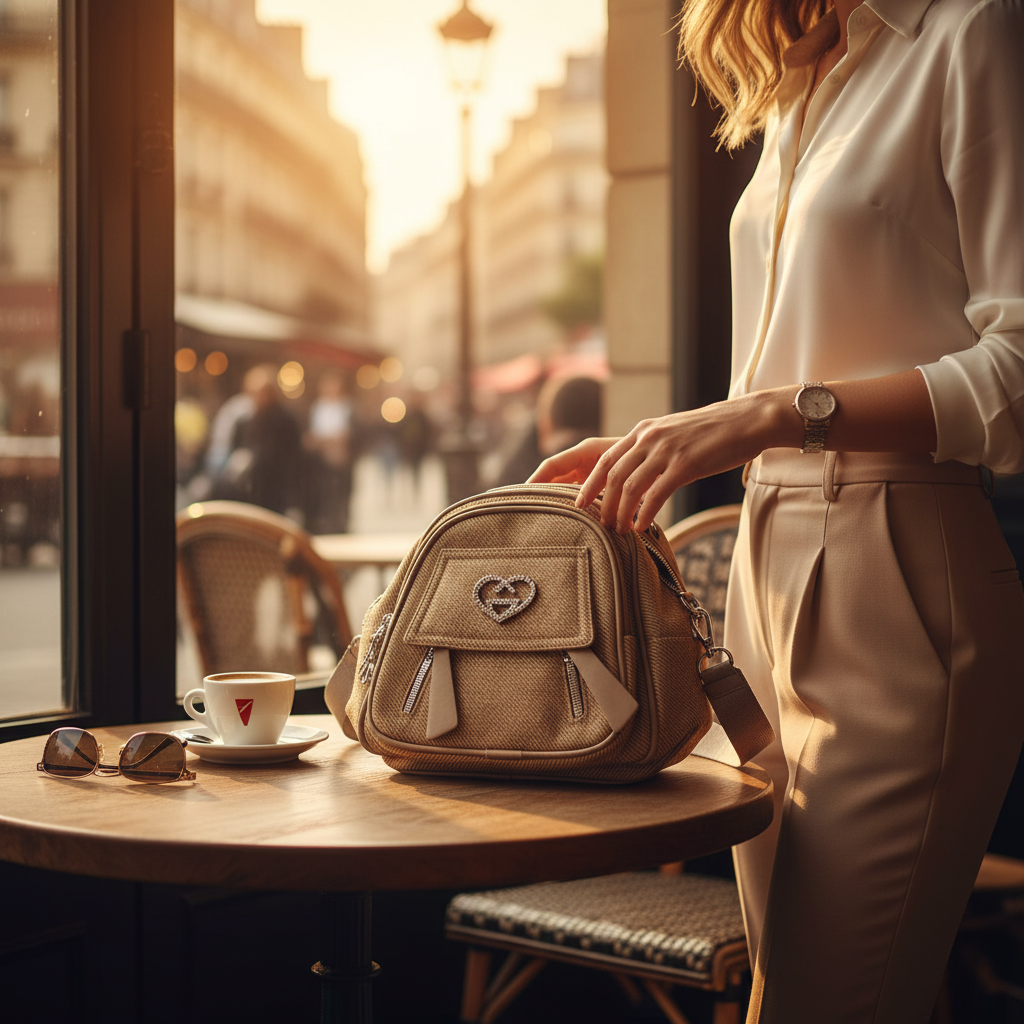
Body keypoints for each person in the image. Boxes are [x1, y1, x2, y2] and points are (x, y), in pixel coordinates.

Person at [530, 0, 1024, 1020]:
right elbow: (802, 352)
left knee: (815, 998)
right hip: (765, 560)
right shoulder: (796, 73)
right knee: (844, 983)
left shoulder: (969, 32)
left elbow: (1016, 369)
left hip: (901, 562)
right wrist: (665, 439)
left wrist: (759, 418)